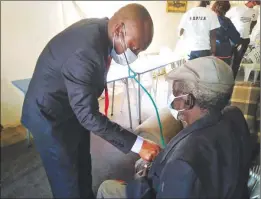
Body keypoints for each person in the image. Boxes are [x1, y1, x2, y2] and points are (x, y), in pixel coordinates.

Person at [21, 3, 161, 198]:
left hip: (71, 107)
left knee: (82, 164)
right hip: (48, 115)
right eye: (133, 48)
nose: (133, 56)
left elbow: (84, 108)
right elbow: (88, 116)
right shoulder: (85, 52)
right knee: (66, 177)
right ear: (119, 30)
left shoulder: (103, 30)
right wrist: (138, 144)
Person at [97, 56, 252, 199]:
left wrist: (135, 187)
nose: (173, 101)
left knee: (106, 187)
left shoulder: (183, 161)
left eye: (176, 95)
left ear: (188, 100)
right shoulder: (235, 116)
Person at [226, 1, 260, 78]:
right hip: (233, 38)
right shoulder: (236, 9)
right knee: (228, 59)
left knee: (237, 61)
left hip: (245, 39)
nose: (256, 3)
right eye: (255, 1)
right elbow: (226, 20)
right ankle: (224, 78)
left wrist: (249, 30)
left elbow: (254, 21)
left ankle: (232, 79)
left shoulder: (254, 12)